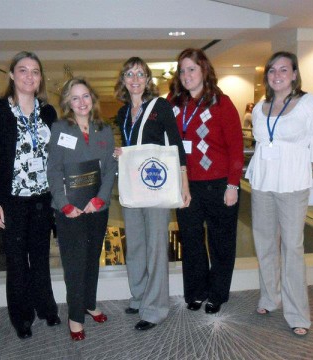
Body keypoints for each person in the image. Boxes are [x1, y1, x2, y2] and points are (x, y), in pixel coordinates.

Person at [245, 51, 313, 336]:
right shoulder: (260, 106)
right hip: (262, 182)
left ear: (294, 74)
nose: (277, 75)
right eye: (272, 70)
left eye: (284, 70)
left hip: (293, 184)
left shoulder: (310, 104)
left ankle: (297, 314)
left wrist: (295, 170)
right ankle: (270, 298)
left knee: (292, 248)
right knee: (265, 243)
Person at [0, 51, 60, 340]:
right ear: (12, 75)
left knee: (40, 257)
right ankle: (21, 317)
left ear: (40, 78)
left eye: (35, 71)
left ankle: (46, 307)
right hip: (11, 200)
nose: (29, 76)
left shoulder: (48, 112)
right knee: (16, 261)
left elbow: (61, 153)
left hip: (41, 200)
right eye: (23, 70)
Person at [113, 57, 191, 331]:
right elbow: (129, 145)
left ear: (148, 80)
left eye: (140, 74)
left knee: (156, 247)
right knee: (134, 244)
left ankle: (155, 308)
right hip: (133, 187)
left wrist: (184, 183)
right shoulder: (123, 113)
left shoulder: (160, 107)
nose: (135, 79)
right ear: (123, 80)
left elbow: (175, 146)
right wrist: (120, 153)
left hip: (156, 186)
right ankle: (139, 295)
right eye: (129, 74)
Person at [168, 48, 244, 314]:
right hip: (186, 184)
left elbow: (236, 148)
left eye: (192, 69)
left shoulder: (221, 103)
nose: (186, 75)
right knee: (190, 241)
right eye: (182, 70)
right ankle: (196, 292)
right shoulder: (174, 103)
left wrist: (233, 185)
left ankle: (217, 294)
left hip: (220, 185)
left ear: (204, 70)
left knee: (221, 243)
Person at [47, 77, 117, 341]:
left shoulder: (104, 129)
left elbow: (110, 168)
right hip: (70, 210)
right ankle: (75, 315)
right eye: (75, 98)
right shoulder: (59, 128)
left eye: (85, 96)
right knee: (74, 264)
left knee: (92, 259)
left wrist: (100, 199)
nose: (81, 102)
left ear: (92, 98)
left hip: (97, 207)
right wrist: (64, 204)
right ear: (67, 102)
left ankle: (89, 302)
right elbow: (53, 170)